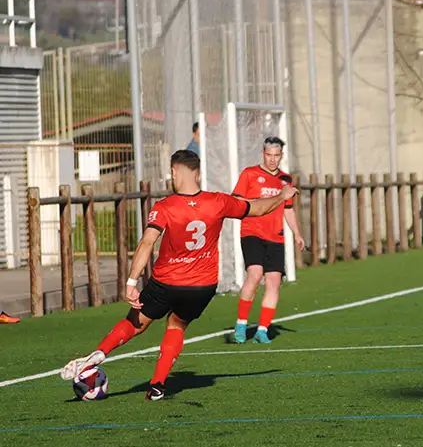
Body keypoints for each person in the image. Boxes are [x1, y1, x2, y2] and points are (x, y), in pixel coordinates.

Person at [59, 150, 297, 400]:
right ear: (199, 173)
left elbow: (147, 242)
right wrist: (282, 195)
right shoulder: (219, 201)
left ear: (174, 173)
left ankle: (100, 353)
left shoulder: (165, 207)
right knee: (177, 325)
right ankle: (158, 384)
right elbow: (257, 209)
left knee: (135, 322)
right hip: (203, 287)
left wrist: (131, 281)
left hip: (166, 282)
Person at [232, 136, 305, 344]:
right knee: (254, 275)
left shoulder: (286, 180)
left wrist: (297, 233)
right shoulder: (249, 174)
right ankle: (241, 324)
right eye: (269, 155)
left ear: (281, 155)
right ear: (263, 154)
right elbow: (237, 200)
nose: (272, 159)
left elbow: (288, 210)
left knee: (273, 282)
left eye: (276, 155)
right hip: (252, 232)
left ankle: (262, 330)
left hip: (276, 237)